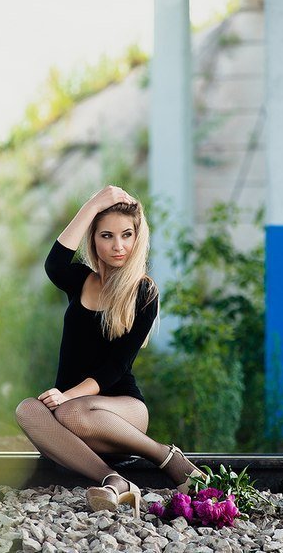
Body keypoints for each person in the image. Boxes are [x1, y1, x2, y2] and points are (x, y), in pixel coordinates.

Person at [15, 185, 206, 519]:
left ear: (137, 237)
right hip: (74, 423)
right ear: (93, 239)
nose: (118, 246)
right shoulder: (80, 280)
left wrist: (66, 396)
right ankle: (114, 480)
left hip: (122, 412)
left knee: (70, 412)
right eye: (107, 236)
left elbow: (115, 367)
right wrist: (93, 204)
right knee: (27, 410)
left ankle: (164, 455)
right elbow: (54, 263)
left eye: (126, 235)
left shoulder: (143, 292)